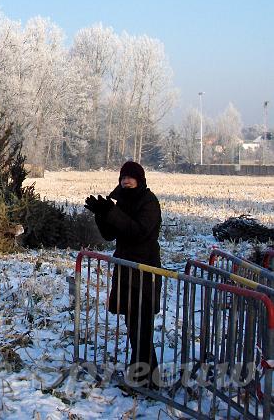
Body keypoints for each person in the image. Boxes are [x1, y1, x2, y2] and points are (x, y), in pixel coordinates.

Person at [85, 160, 162, 389]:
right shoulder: (122, 203)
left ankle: (143, 380)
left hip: (145, 271)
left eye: (130, 176)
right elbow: (110, 234)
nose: (126, 181)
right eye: (123, 177)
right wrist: (101, 214)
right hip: (125, 270)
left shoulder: (150, 202)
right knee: (134, 326)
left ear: (140, 179)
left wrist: (112, 213)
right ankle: (148, 378)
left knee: (142, 326)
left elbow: (138, 231)